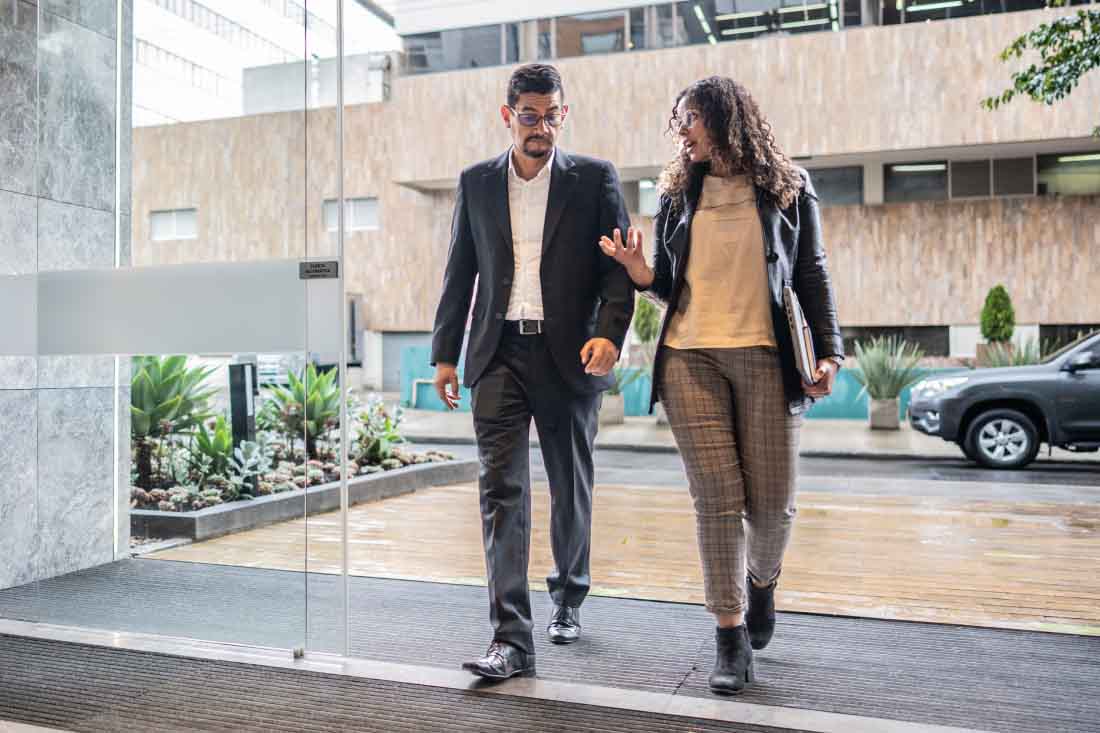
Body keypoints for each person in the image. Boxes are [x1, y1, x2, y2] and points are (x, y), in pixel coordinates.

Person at [599, 76, 843, 695]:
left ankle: (762, 583)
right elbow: (667, 284)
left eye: (690, 119)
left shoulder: (789, 187)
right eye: (678, 121)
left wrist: (830, 353)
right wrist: (639, 272)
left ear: (724, 119)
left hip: (767, 357)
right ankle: (729, 636)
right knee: (716, 501)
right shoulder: (678, 193)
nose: (681, 131)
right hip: (690, 358)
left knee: (772, 508)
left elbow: (811, 273)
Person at [431, 63, 634, 681]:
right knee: (501, 493)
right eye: (530, 116)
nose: (541, 127)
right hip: (497, 353)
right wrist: (446, 354)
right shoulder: (476, 182)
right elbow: (460, 270)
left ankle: (568, 594)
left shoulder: (594, 179)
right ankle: (511, 638)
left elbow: (617, 271)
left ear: (562, 116)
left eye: (552, 116)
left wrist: (609, 335)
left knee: (569, 484)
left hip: (568, 354)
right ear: (508, 116)